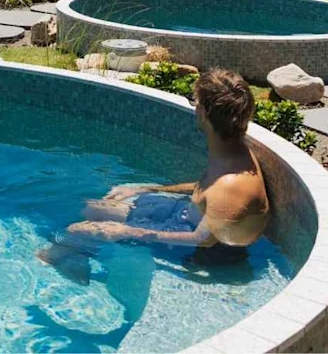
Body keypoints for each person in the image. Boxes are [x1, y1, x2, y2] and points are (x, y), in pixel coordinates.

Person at [38, 70, 270, 277]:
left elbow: (204, 240)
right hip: (186, 214)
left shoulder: (231, 186)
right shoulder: (230, 151)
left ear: (204, 113)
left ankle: (51, 263)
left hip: (199, 249)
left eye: (195, 102)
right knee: (93, 207)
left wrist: (130, 231)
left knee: (78, 229)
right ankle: (78, 256)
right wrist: (146, 187)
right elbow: (207, 188)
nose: (193, 107)